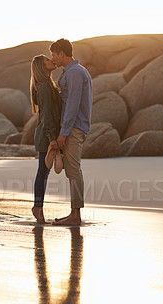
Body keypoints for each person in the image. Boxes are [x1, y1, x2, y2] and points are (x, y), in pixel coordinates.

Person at [50, 38, 92, 226]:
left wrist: (63, 133)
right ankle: (74, 213)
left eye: (54, 55)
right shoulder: (74, 71)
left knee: (73, 169)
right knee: (72, 170)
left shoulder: (75, 73)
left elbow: (73, 105)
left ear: (62, 53)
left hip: (74, 128)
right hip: (73, 127)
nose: (53, 59)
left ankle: (75, 215)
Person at [30, 54, 62, 224]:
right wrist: (52, 138)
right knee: (43, 171)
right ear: (42, 67)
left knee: (44, 171)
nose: (51, 61)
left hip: (47, 134)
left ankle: (38, 206)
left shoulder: (48, 84)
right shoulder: (43, 86)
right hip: (46, 135)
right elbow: (47, 116)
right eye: (47, 61)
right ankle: (37, 206)